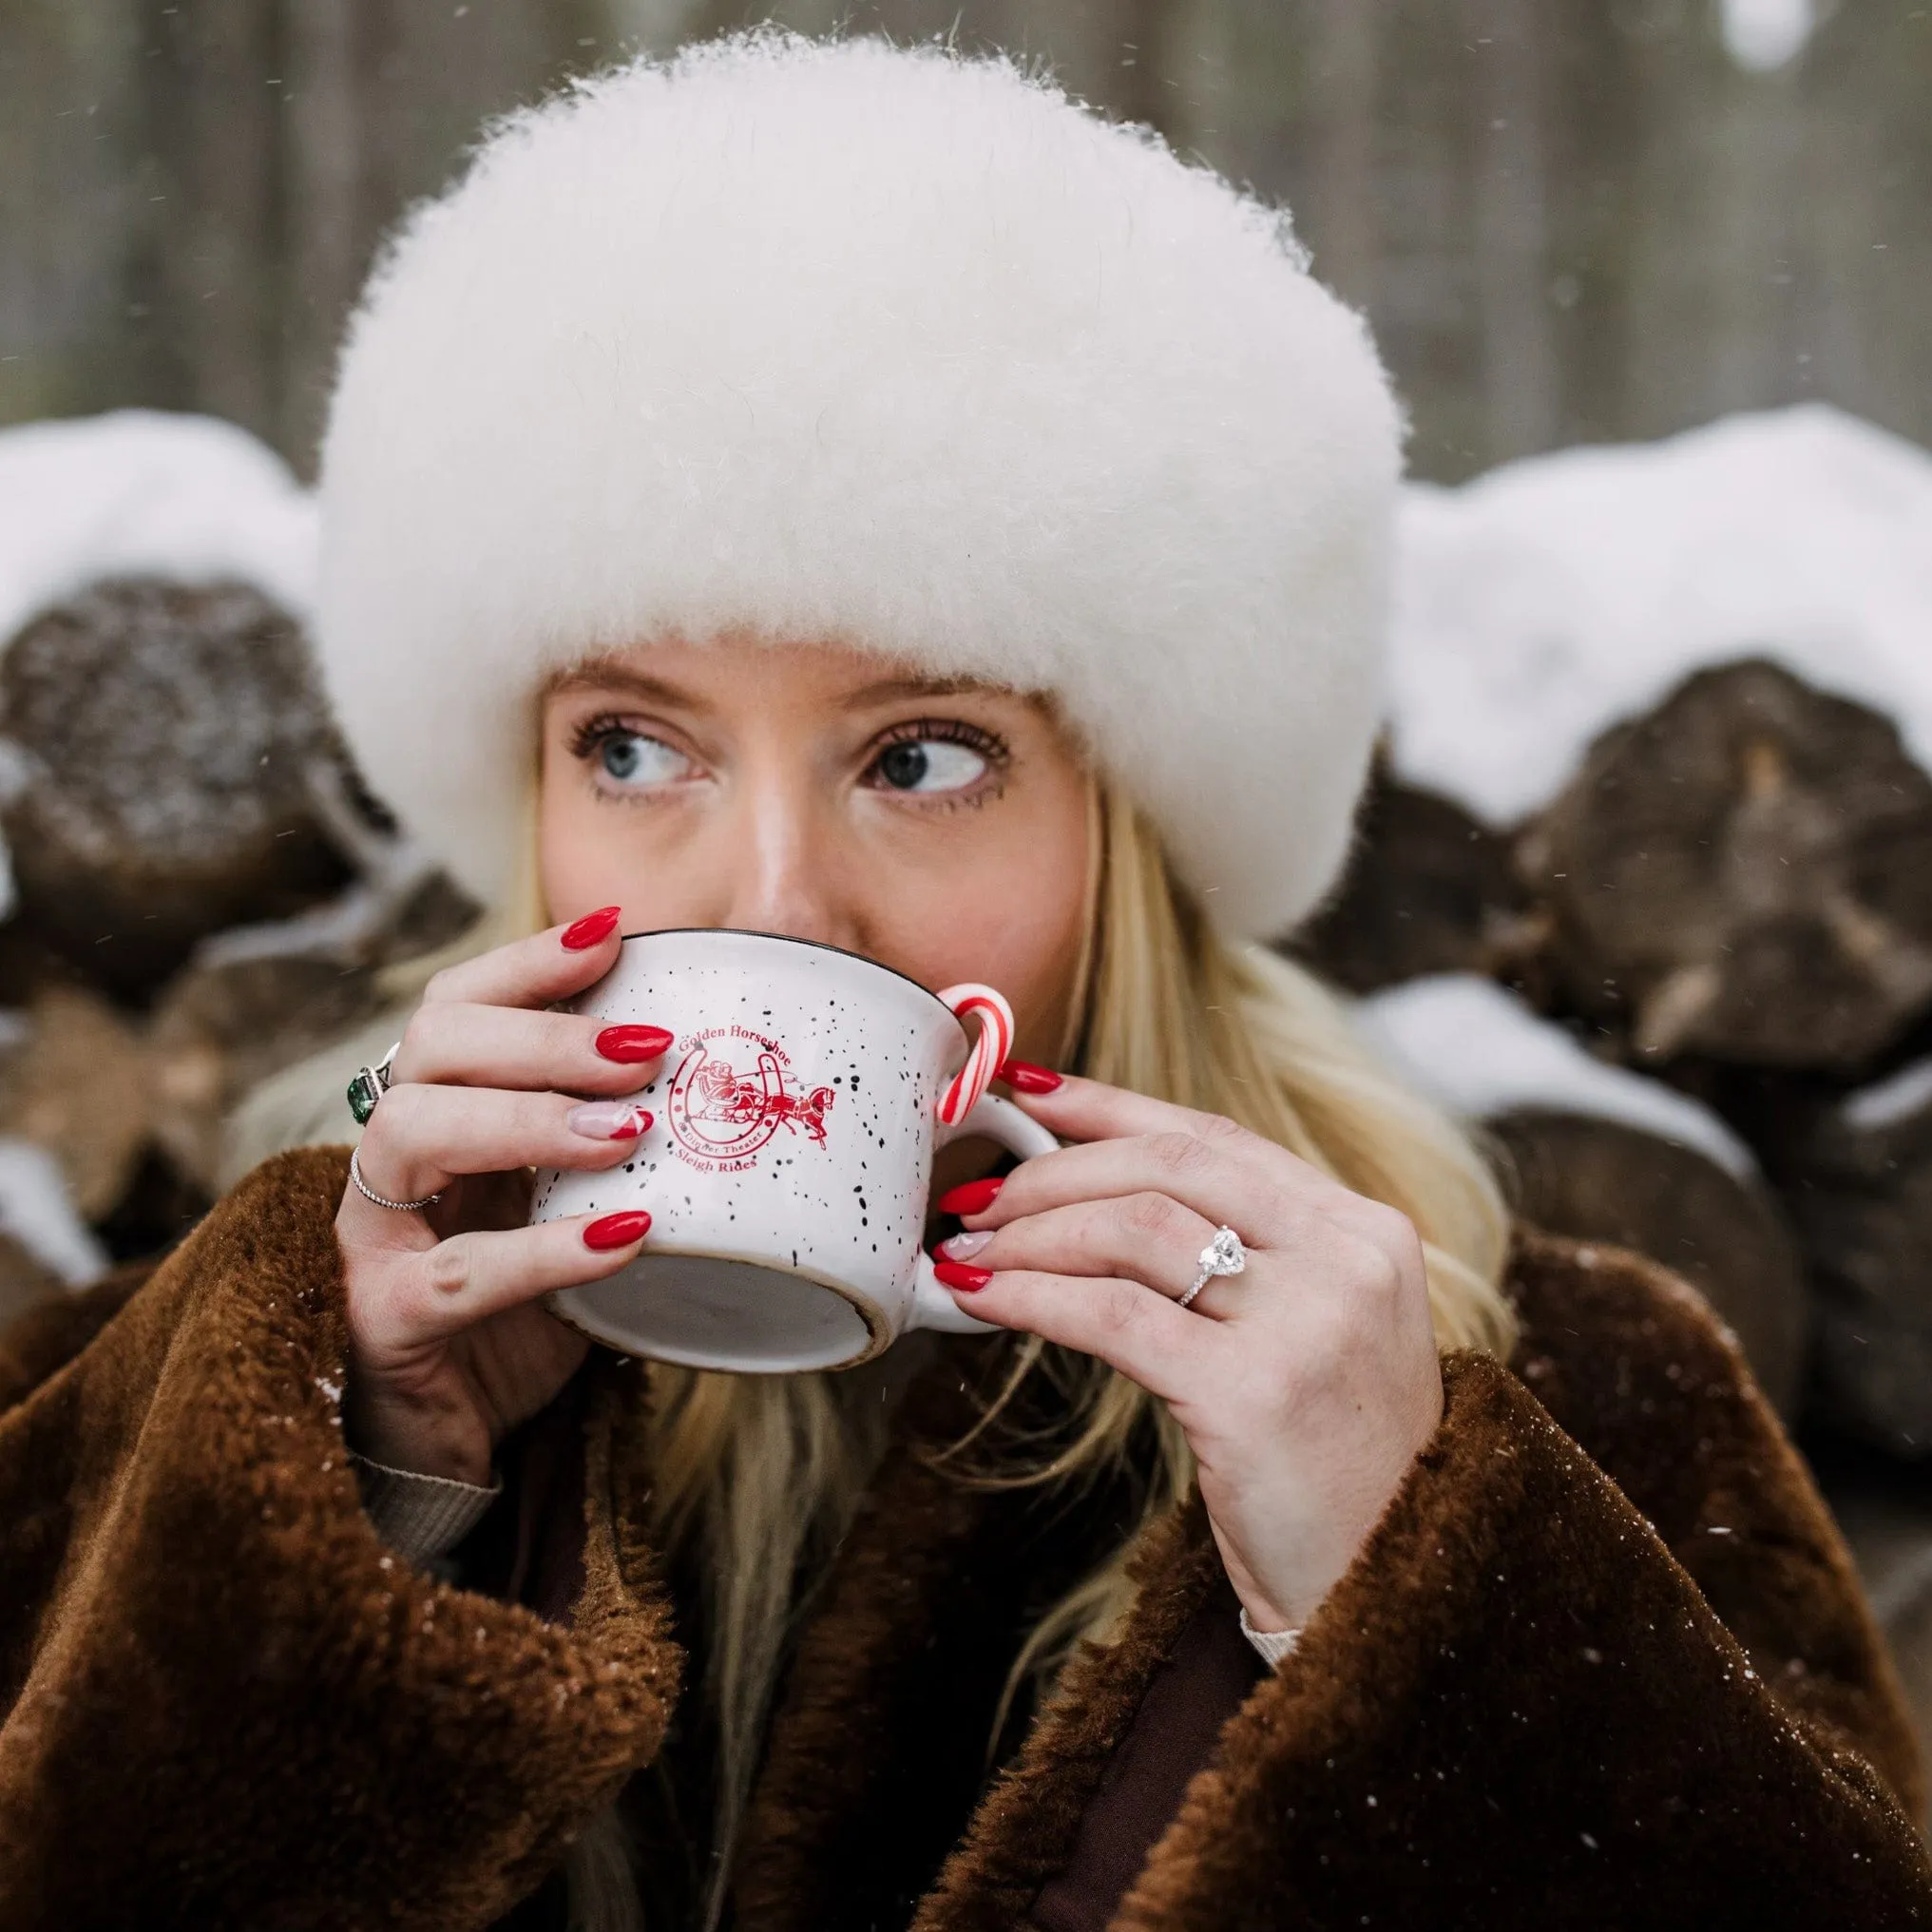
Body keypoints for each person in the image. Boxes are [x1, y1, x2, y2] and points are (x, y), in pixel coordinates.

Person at [1, 30, 1925, 1932]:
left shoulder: (1541, 1396)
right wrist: (367, 1501)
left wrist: (1400, 1602)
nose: (772, 901)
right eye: (632, 747)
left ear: (1130, 820)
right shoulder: (235, 1375)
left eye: (918, 753)